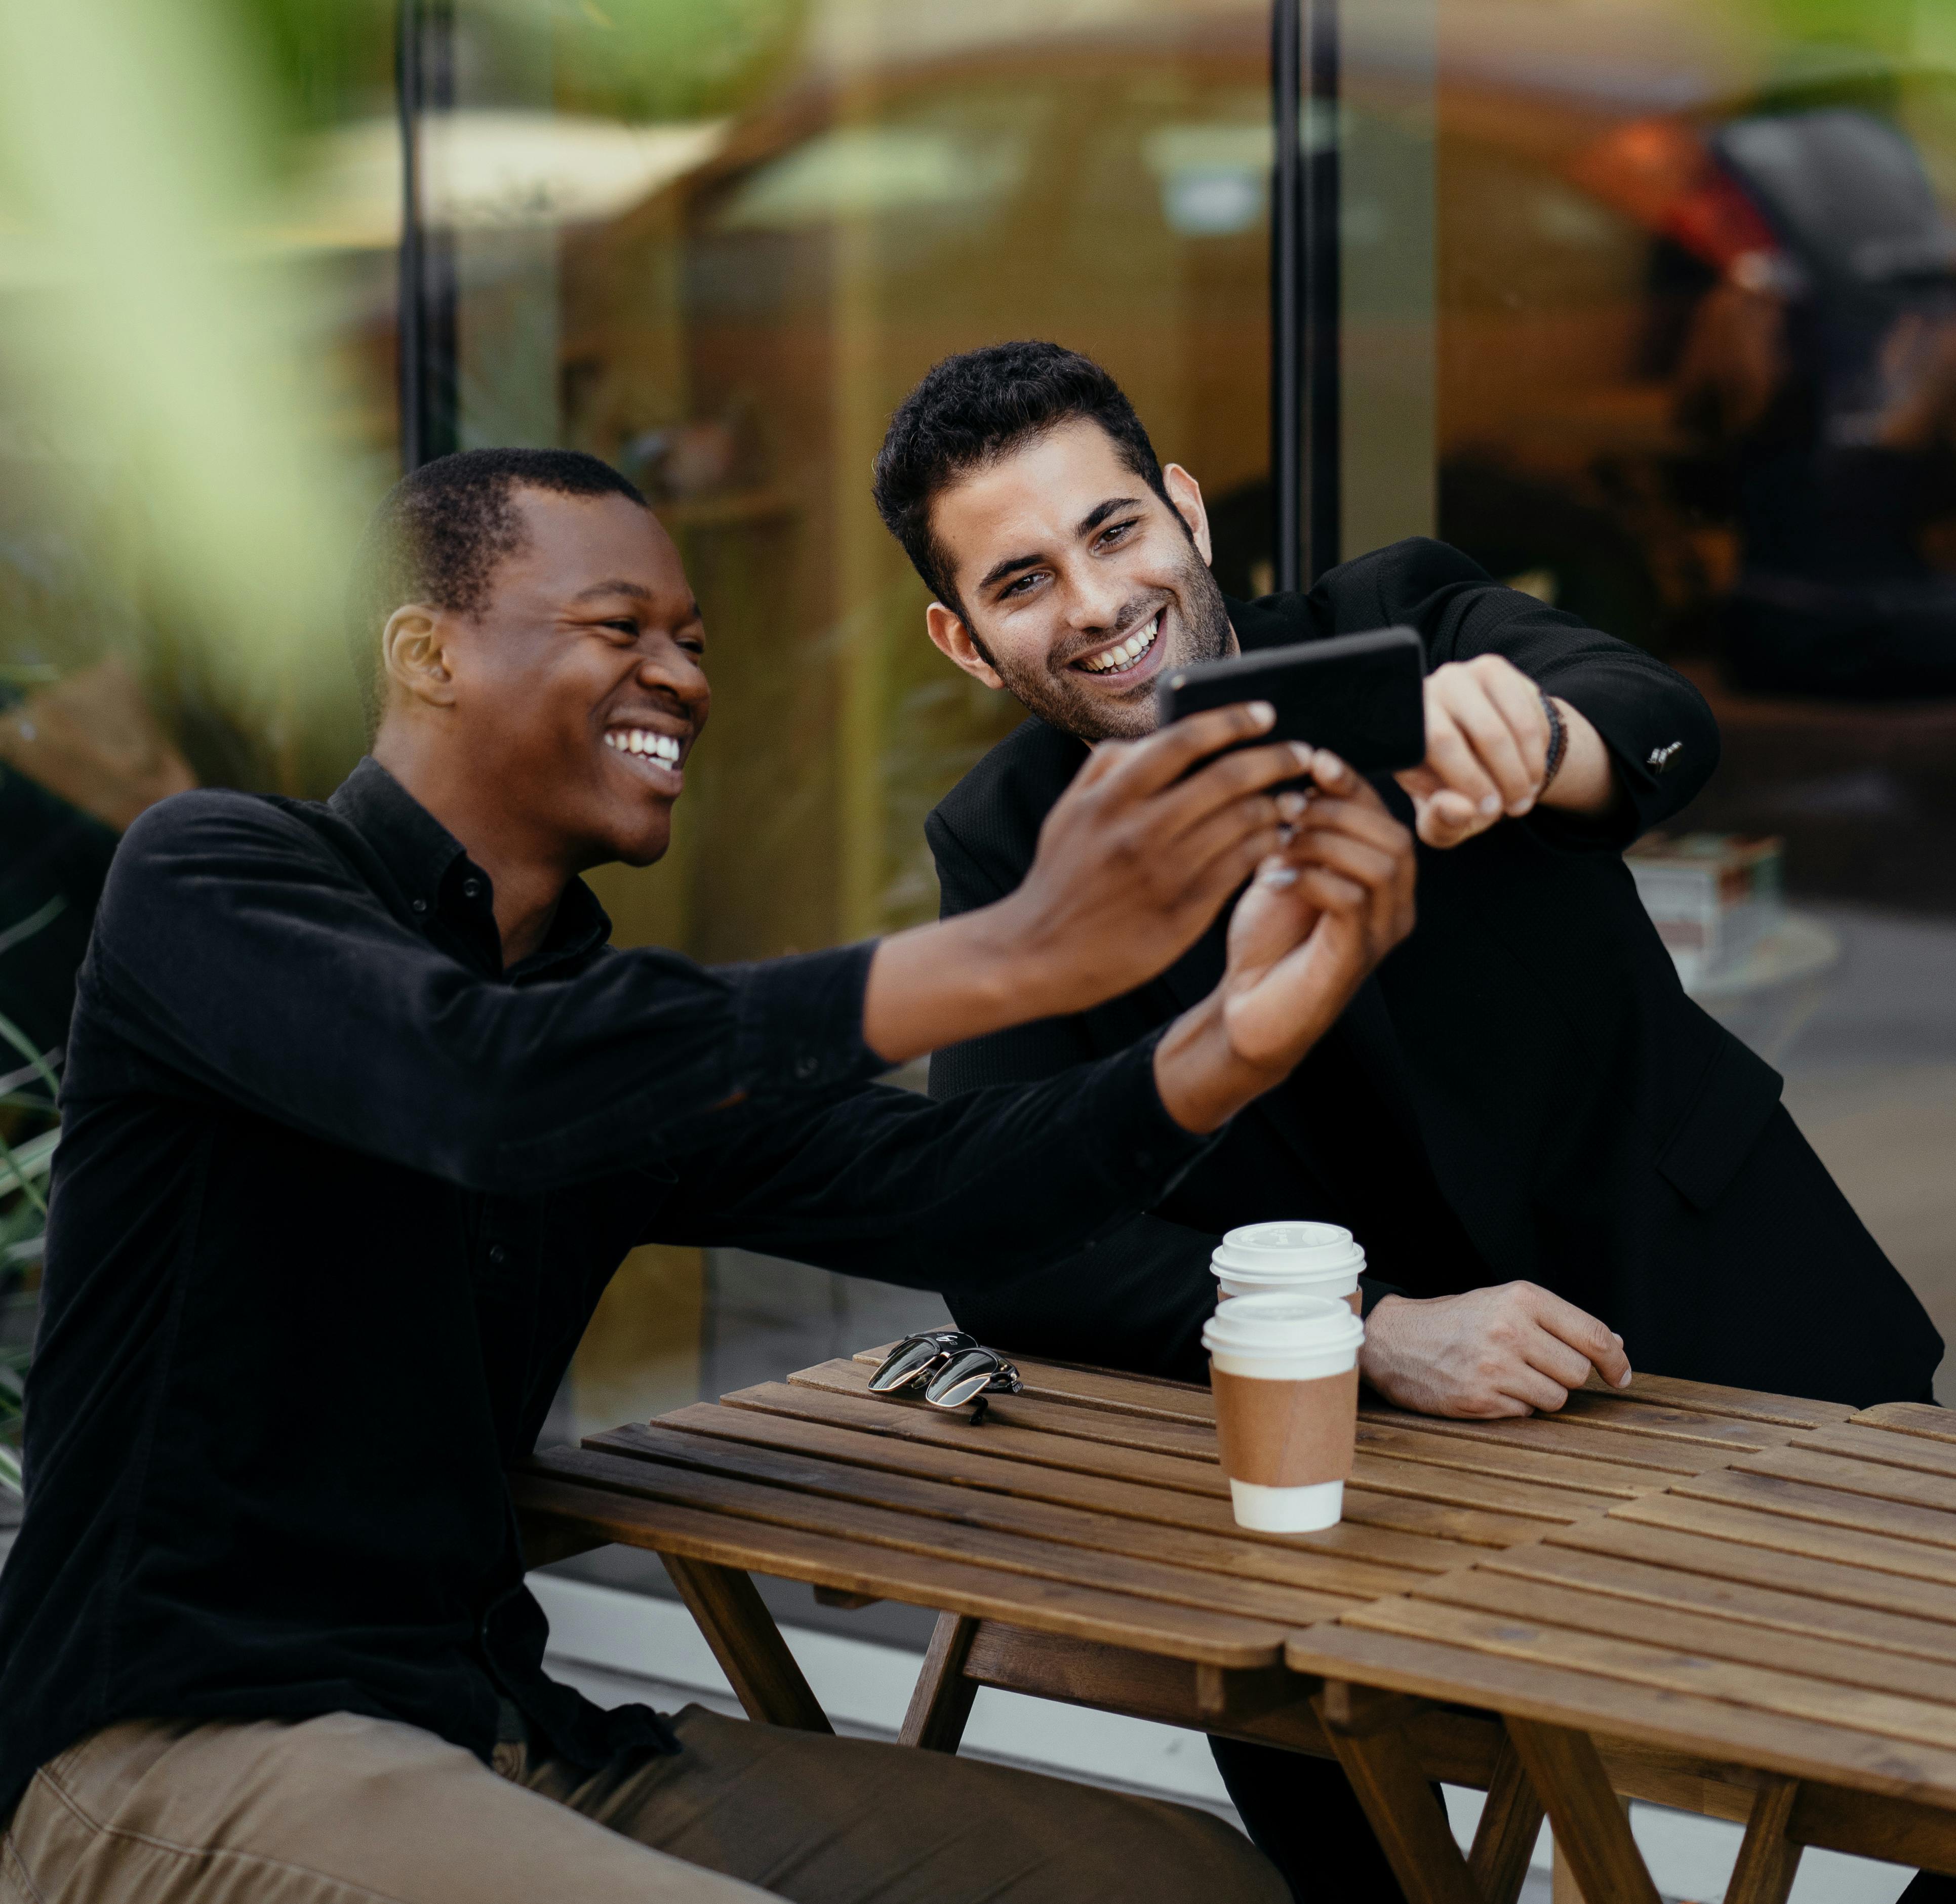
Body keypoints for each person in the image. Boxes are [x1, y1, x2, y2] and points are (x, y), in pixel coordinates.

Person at [0, 444, 1419, 1904]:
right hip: (170, 1757)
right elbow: (475, 1081)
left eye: (691, 640)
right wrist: (1016, 947)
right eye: (620, 629)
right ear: (427, 652)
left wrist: (1228, 1046)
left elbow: (940, 1183)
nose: (678, 674)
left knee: (1182, 1881)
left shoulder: (594, 1027)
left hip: (507, 1736)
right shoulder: (211, 876)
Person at [875, 342, 1945, 1903]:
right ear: (963, 638)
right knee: (1303, 1745)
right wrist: (1373, 1332)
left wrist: (1543, 745)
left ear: (1184, 509)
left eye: (1113, 531)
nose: (1096, 603)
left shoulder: (1409, 610)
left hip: (1732, 1318)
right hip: (1384, 1472)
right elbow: (1018, 1231)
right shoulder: (1001, 840)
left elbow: (1654, 718)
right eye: (1022, 577)